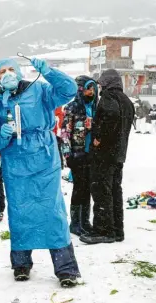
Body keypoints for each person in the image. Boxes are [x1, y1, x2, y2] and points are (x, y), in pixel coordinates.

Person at [0, 57, 81, 288]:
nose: (8, 74)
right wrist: (2, 133)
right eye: (2, 71)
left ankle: (65, 268)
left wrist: (50, 72)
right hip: (14, 160)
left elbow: (69, 90)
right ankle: (21, 264)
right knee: (20, 211)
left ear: (20, 72)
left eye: (11, 69)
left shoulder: (39, 89)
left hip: (43, 155)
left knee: (51, 211)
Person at [80, 69, 135, 245]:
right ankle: (117, 229)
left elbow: (111, 116)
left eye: (102, 81)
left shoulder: (109, 97)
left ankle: (103, 230)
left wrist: (98, 138)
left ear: (109, 82)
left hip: (105, 154)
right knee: (114, 191)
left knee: (101, 191)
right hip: (119, 154)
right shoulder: (126, 100)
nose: (100, 85)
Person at [61, 75, 98, 236]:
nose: (92, 91)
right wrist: (68, 155)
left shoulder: (95, 107)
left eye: (93, 88)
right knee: (79, 188)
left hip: (92, 154)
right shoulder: (72, 107)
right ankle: (75, 223)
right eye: (88, 88)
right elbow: (64, 132)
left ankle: (85, 221)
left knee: (88, 188)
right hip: (77, 154)